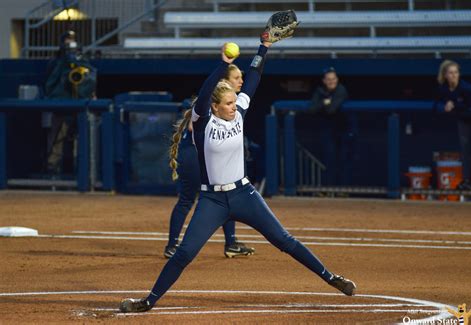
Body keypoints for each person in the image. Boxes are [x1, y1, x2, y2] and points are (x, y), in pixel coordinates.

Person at [119, 36, 356, 313]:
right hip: (213, 202)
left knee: (284, 241)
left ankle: (332, 278)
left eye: (235, 101)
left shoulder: (239, 113)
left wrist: (263, 48)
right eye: (229, 103)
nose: (235, 106)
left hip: (244, 194)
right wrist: (223, 66)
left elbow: (254, 77)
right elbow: (206, 91)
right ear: (215, 106)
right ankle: (148, 301)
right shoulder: (203, 120)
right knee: (184, 253)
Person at [165, 63, 255, 259]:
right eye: (236, 78)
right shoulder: (213, 101)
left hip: (204, 155)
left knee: (226, 190)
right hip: (194, 155)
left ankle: (231, 242)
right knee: (187, 200)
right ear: (225, 81)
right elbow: (192, 126)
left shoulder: (227, 104)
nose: (241, 81)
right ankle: (172, 245)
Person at [44, 30, 97, 174]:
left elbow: (90, 83)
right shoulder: (56, 62)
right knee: (58, 140)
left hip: (81, 108)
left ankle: (82, 171)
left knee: (82, 141)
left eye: (72, 43)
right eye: (67, 43)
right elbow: (49, 86)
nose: (70, 47)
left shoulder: (83, 62)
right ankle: (53, 170)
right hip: (62, 108)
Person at [309, 67, 357, 186]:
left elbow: (331, 109)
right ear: (324, 80)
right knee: (328, 159)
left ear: (337, 79)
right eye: (328, 79)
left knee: (344, 160)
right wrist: (325, 102)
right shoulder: (320, 90)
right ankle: (329, 188)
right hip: (330, 130)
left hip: (345, 130)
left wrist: (325, 103)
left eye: (333, 79)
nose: (331, 81)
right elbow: (312, 108)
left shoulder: (341, 90)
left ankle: (344, 190)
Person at [436, 60, 471, 190]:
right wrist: (445, 105)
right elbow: (436, 105)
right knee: (465, 151)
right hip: (463, 120)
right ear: (445, 75)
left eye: (456, 72)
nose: (454, 75)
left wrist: (454, 105)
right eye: (451, 73)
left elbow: (470, 107)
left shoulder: (467, 88)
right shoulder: (443, 89)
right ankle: (467, 181)